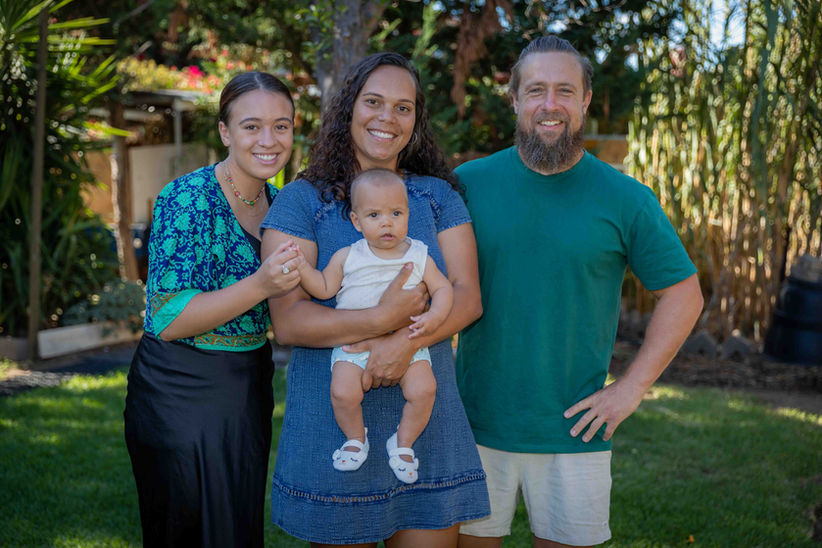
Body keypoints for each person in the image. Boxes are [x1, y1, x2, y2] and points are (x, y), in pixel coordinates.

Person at [455, 36, 704, 548]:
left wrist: (630, 389)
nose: (551, 105)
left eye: (565, 91)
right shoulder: (467, 184)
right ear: (515, 98)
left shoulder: (625, 198)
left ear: (586, 99)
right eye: (537, 90)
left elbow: (684, 293)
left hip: (577, 431)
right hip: (471, 425)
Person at [260, 52, 490, 547]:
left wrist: (405, 344)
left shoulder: (438, 197)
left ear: (416, 121)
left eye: (403, 107)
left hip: (426, 425)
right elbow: (291, 321)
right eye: (374, 102)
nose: (387, 117)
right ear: (349, 108)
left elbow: (468, 297)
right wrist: (382, 318)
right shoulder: (301, 200)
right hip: (334, 423)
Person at [124, 71, 303, 548]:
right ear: (225, 131)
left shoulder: (285, 208)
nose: (269, 140)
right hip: (178, 388)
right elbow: (167, 318)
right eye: (252, 126)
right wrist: (260, 283)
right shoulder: (185, 199)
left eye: (281, 125)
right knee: (187, 528)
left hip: (247, 386)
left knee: (236, 527)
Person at [294, 168, 453, 483]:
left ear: (408, 214)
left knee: (425, 389)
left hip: (405, 343)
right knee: (342, 392)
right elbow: (324, 287)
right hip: (355, 342)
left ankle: (403, 442)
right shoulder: (349, 256)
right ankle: (355, 438)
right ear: (356, 221)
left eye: (396, 213)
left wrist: (433, 318)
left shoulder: (419, 255)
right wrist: (301, 267)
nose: (387, 222)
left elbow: (444, 289)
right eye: (374, 215)